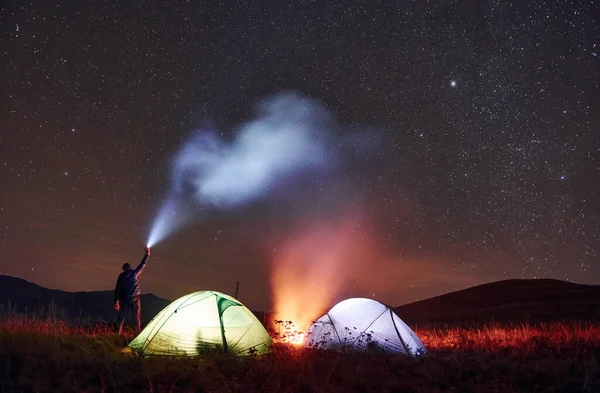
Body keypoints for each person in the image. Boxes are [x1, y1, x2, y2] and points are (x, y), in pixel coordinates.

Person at [114, 246, 150, 334]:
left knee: (122, 318)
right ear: (130, 268)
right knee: (137, 317)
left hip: (124, 299)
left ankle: (118, 334)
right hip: (135, 298)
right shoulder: (134, 273)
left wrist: (116, 301)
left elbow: (117, 289)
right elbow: (142, 264)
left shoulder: (121, 276)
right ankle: (138, 333)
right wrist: (147, 254)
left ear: (123, 269)